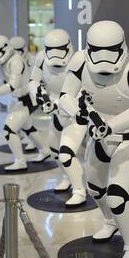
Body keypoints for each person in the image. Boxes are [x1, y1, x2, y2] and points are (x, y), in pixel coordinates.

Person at [59, 21, 129, 258]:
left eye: (110, 50)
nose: (104, 60)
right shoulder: (80, 62)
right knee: (94, 188)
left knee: (117, 195)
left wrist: (111, 127)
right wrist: (78, 114)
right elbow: (66, 96)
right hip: (99, 135)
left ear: (121, 45)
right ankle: (110, 222)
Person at [28, 29, 87, 207]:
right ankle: (66, 178)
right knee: (54, 150)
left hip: (74, 114)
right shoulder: (40, 58)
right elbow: (33, 81)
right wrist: (41, 96)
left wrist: (62, 104)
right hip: (55, 112)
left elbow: (85, 90)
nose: (55, 55)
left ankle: (80, 191)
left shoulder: (79, 60)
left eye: (60, 49)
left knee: (66, 154)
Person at [0, 35, 51, 171]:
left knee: (9, 130)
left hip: (26, 99)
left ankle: (20, 161)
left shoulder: (16, 61)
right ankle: (45, 150)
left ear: (6, 48)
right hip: (16, 100)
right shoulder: (5, 61)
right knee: (28, 127)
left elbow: (12, 85)